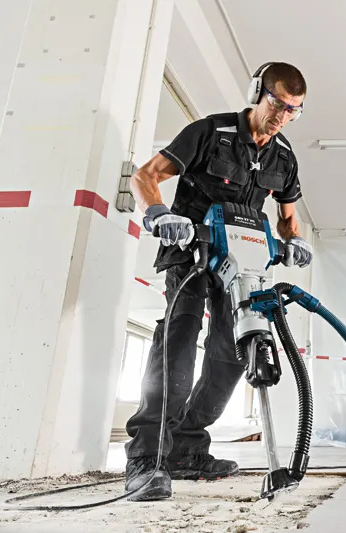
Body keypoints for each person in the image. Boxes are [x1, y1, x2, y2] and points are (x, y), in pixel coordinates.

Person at [124, 62, 313, 501]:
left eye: (294, 111)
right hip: (190, 248)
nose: (282, 117)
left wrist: (296, 241)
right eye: (278, 104)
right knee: (179, 340)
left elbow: (288, 218)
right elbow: (146, 175)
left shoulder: (284, 158)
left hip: (240, 260)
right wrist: (158, 214)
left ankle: (186, 448)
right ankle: (147, 457)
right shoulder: (210, 132)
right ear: (257, 92)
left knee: (232, 353)